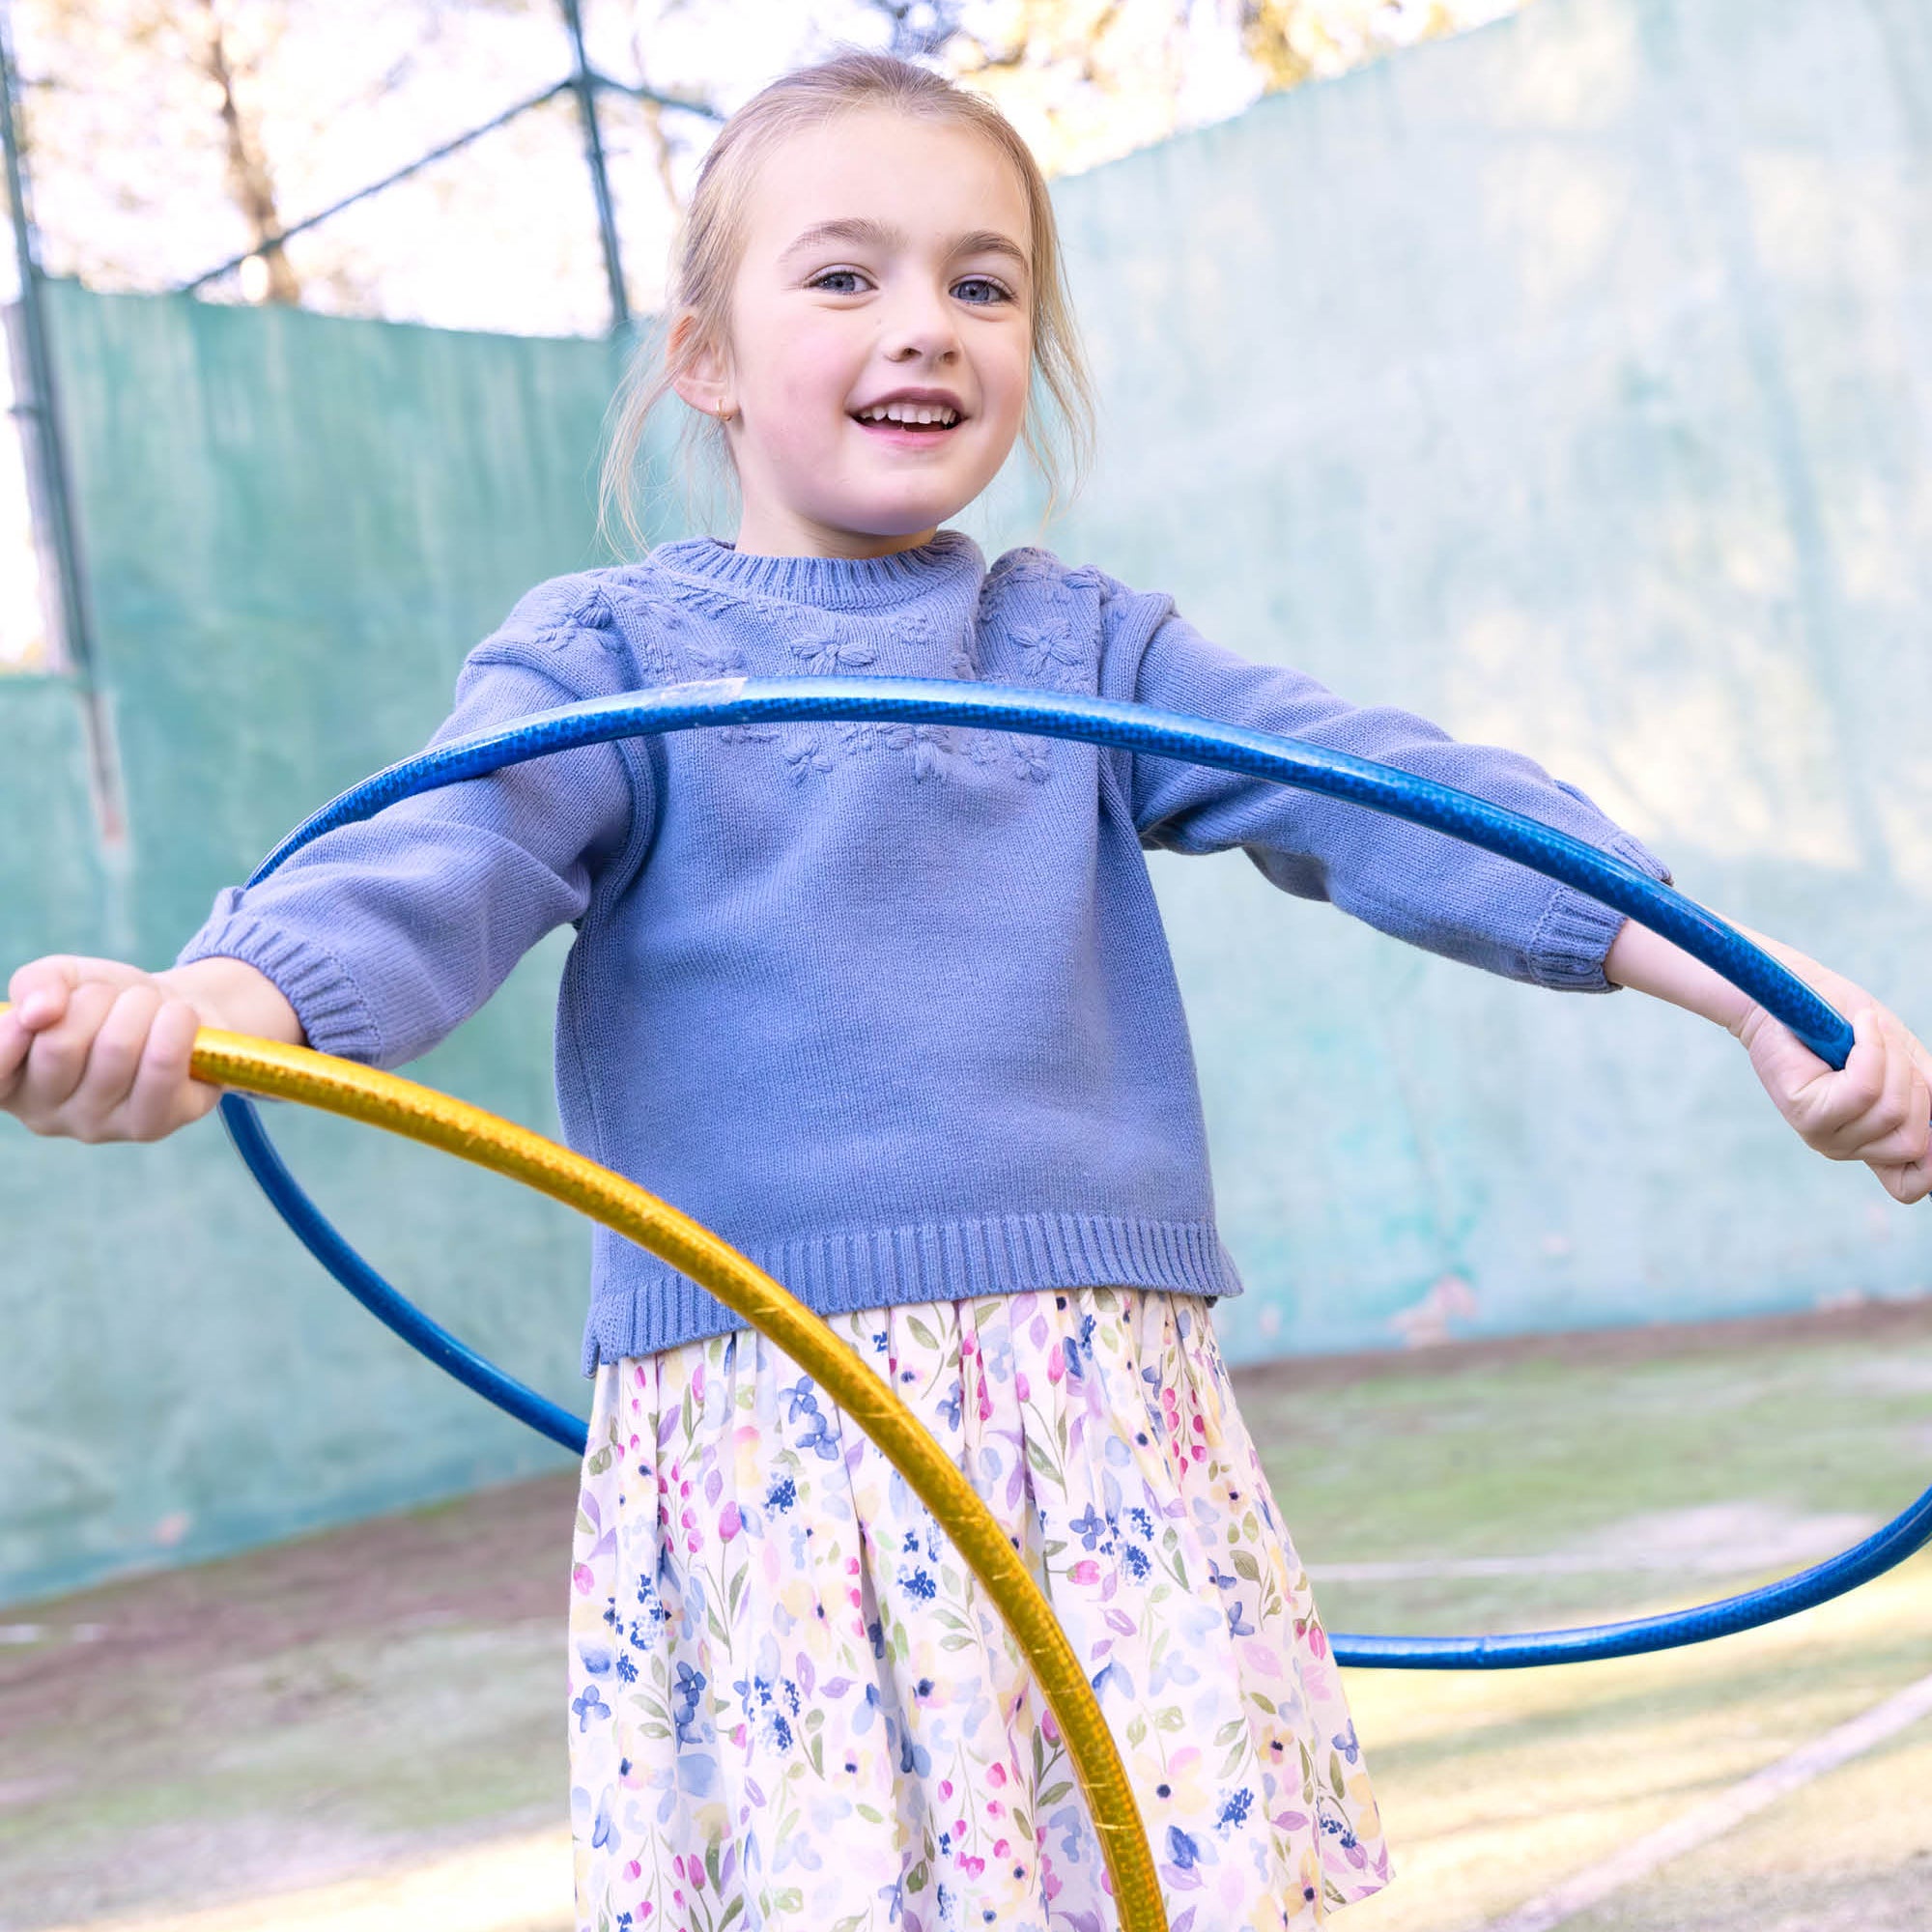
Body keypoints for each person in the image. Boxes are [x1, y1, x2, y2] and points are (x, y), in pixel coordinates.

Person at [4, 50, 1928, 1932]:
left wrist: (1745, 986)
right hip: (773, 1438)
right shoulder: (610, 655)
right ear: (706, 359)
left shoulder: (1075, 645)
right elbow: (431, 866)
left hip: (1102, 1424)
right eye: (843, 275)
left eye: (980, 282)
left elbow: (1401, 801)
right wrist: (213, 1012)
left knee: (1165, 1869)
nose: (923, 323)